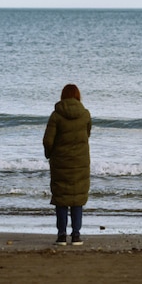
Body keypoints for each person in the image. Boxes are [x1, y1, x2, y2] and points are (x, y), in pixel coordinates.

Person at [43, 84, 92, 246]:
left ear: (63, 96)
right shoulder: (85, 115)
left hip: (60, 162)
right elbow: (87, 135)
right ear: (78, 96)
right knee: (77, 198)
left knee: (61, 198)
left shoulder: (56, 116)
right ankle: (76, 235)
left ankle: (62, 235)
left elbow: (48, 141)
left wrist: (50, 155)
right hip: (81, 162)